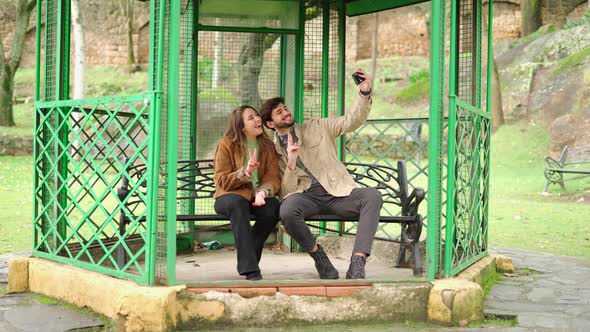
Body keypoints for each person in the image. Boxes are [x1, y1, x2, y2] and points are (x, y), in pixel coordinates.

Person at [259, 69, 382, 280]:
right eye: (280, 112)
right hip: (306, 197)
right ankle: (319, 257)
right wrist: (290, 159)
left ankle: (358, 262)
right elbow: (286, 191)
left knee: (372, 196)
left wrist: (364, 94)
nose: (286, 113)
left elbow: (351, 121)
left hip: (338, 193)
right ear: (270, 124)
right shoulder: (272, 150)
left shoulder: (318, 127)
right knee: (287, 211)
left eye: (285, 109)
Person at [213, 105, 281, 281]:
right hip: (229, 196)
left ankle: (248, 257)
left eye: (257, 115)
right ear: (242, 126)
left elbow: (273, 176)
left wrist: (263, 192)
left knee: (272, 207)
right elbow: (222, 180)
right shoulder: (227, 143)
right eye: (251, 118)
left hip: (255, 197)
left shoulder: (267, 145)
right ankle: (250, 269)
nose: (258, 119)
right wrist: (245, 172)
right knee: (238, 204)